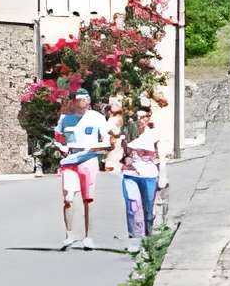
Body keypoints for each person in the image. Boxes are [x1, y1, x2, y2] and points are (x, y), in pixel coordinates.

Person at [55, 88, 113, 249]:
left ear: (88, 101)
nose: (80, 102)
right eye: (77, 99)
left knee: (88, 199)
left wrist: (100, 147)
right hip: (70, 160)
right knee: (68, 197)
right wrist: (61, 147)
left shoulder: (97, 118)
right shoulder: (65, 119)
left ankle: (88, 237)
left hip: (88, 159)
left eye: (82, 99)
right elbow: (58, 138)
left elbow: (107, 139)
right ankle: (69, 234)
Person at [118, 108, 164, 242]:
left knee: (148, 209)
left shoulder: (154, 135)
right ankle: (134, 237)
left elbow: (161, 157)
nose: (139, 120)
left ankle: (149, 238)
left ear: (148, 118)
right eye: (136, 117)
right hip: (130, 174)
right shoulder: (127, 134)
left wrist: (163, 176)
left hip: (149, 175)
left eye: (143, 117)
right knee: (132, 205)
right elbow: (122, 155)